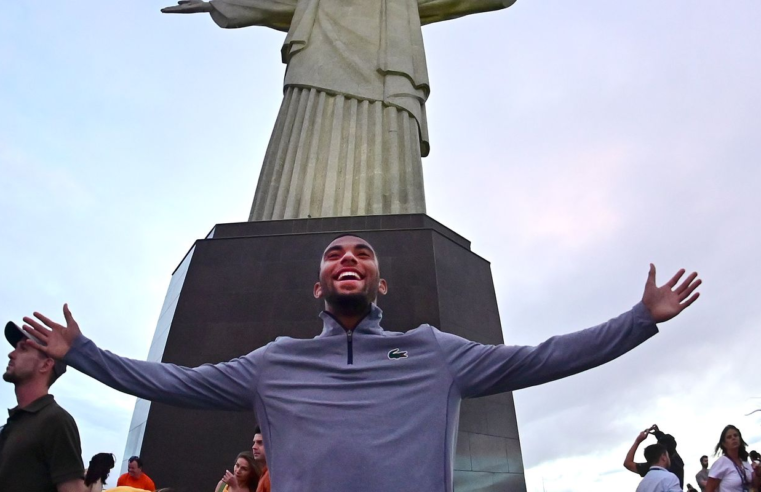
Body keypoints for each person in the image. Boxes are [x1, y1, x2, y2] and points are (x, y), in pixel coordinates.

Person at [21, 235, 702, 492]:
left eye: (362, 256)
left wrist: (638, 321)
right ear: (318, 287)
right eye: (334, 256)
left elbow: (542, 358)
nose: (348, 259)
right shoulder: (275, 363)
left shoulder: (436, 354)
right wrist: (81, 353)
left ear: (380, 285)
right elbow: (171, 382)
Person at [0, 321, 84, 492]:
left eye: (23, 348)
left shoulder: (56, 421)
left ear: (46, 365)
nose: (11, 354)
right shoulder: (13, 423)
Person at [705, 425, 760, 492]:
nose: (733, 438)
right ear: (724, 444)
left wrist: (757, 473)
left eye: (735, 435)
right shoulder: (721, 463)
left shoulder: (744, 461)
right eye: (729, 437)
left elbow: (755, 485)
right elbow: (709, 490)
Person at [252, 427, 270, 492]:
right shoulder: (264, 474)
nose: (254, 447)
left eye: (260, 443)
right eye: (254, 442)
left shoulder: (271, 476)